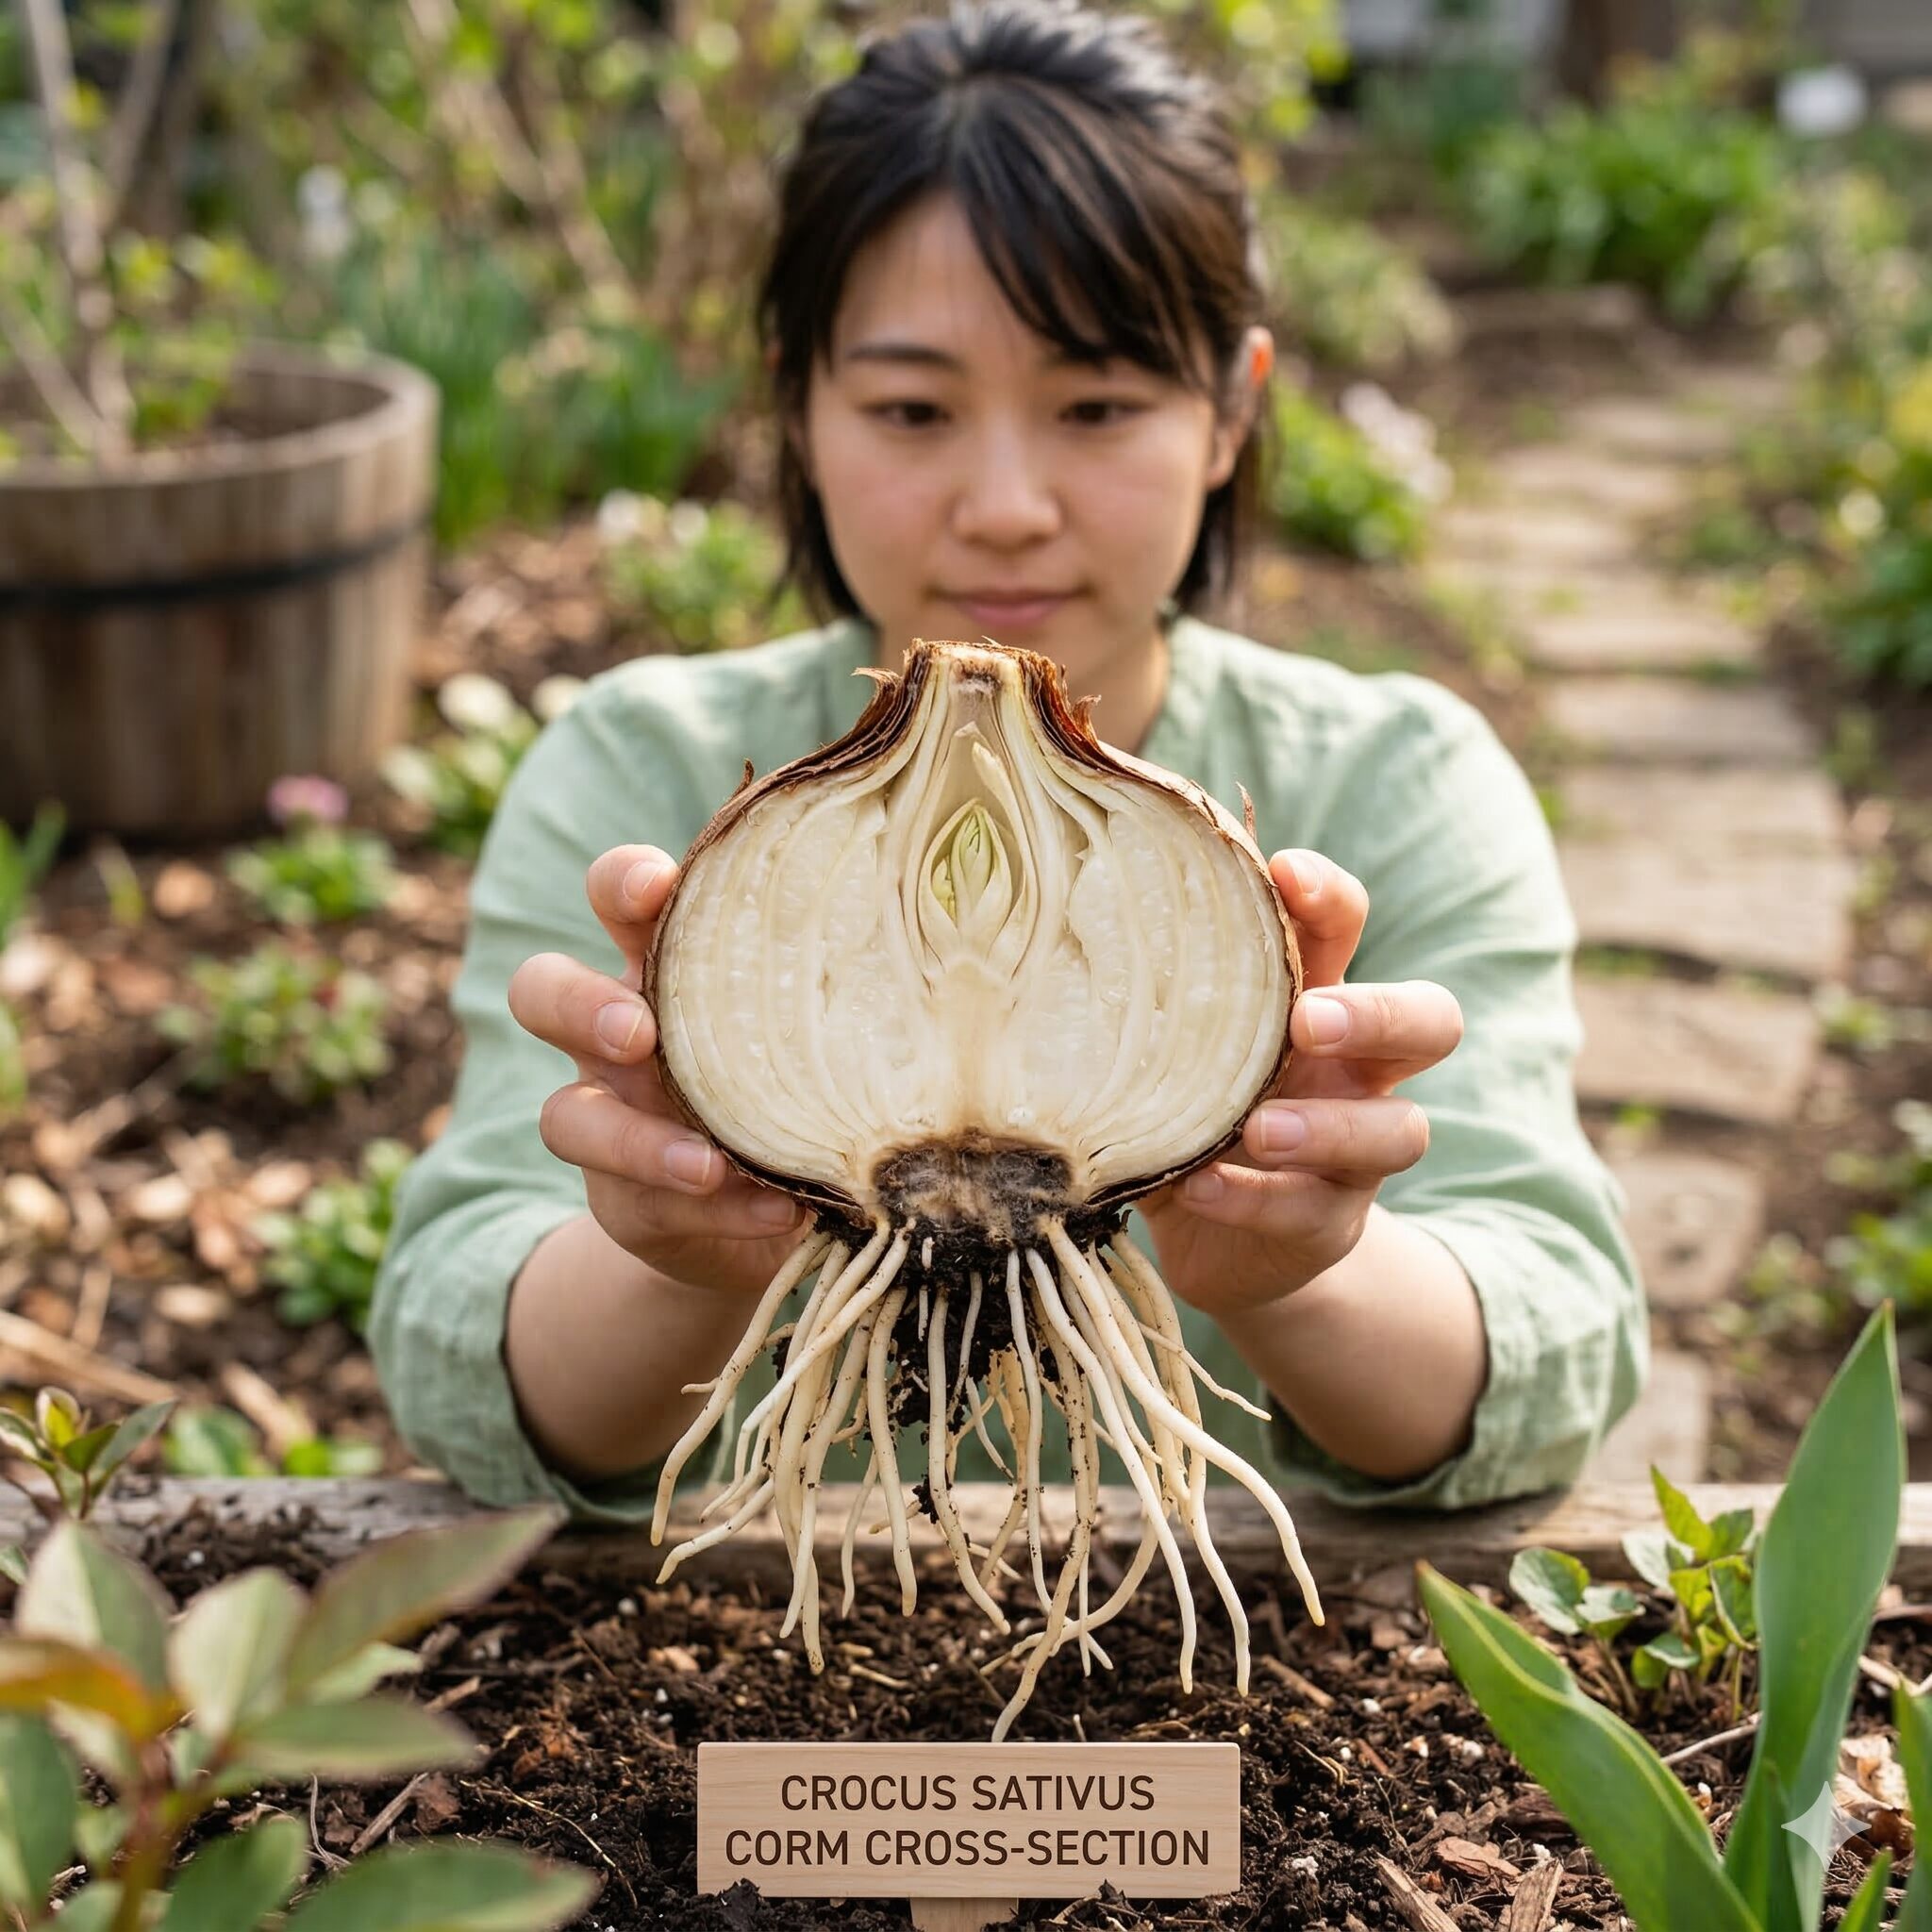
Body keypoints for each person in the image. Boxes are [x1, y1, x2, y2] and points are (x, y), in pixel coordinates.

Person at [370, 0, 1646, 1528]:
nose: (1005, 506)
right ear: (797, 401)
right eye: (912, 408)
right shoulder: (636, 772)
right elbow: (461, 1334)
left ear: (1232, 411)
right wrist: (671, 1249)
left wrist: (1307, 1270)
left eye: (1096, 406)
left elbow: (1553, 1328)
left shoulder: (1400, 785)